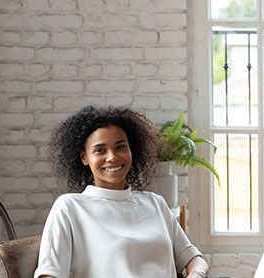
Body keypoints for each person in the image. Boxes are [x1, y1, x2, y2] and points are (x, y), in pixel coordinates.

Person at [35, 106, 208, 278]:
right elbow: (49, 273)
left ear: (131, 150)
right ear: (84, 157)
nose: (112, 157)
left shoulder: (155, 203)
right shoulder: (70, 207)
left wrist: (196, 275)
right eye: (100, 150)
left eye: (120, 147)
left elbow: (194, 259)